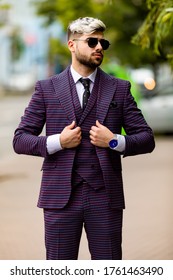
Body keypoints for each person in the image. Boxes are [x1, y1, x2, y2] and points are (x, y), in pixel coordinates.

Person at [13, 17, 155, 260]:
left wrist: (114, 141)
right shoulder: (46, 88)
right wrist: (58, 141)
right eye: (92, 42)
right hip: (59, 199)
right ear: (71, 45)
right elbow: (20, 140)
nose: (99, 47)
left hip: (105, 198)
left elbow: (147, 139)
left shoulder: (119, 89)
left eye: (102, 42)